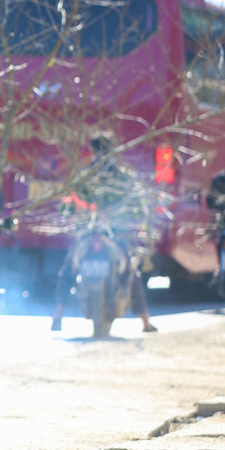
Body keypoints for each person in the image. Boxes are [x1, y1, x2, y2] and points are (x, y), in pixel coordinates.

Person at [51, 136, 157, 334]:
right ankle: (145, 321)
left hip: (91, 234)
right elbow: (139, 210)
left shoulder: (84, 176)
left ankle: (57, 316)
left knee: (68, 270)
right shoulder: (123, 177)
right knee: (132, 272)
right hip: (114, 235)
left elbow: (65, 207)